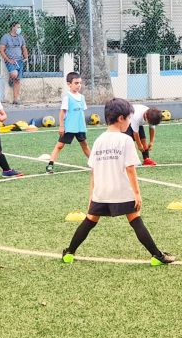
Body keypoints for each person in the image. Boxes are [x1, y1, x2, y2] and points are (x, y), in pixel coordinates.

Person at [61, 98, 175, 265]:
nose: (130, 121)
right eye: (129, 118)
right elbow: (130, 169)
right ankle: (157, 256)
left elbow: (93, 171)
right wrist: (137, 193)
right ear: (121, 118)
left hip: (101, 192)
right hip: (121, 191)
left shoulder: (99, 140)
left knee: (90, 220)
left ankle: (69, 252)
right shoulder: (126, 140)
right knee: (136, 220)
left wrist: (92, 195)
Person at [46, 72, 91, 174]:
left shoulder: (82, 97)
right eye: (76, 83)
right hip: (69, 127)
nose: (78, 85)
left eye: (80, 83)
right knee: (59, 146)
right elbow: (62, 112)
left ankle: (94, 162)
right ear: (69, 84)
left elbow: (81, 113)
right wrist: (62, 126)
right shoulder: (67, 97)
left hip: (80, 127)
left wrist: (83, 126)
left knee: (84, 145)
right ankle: (50, 164)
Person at [0, 21, 29, 105]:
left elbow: (24, 48)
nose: (19, 29)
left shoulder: (21, 37)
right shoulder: (5, 37)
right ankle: (11, 78)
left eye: (20, 27)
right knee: (14, 74)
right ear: (13, 27)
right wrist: (8, 60)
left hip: (20, 60)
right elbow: (1, 50)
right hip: (11, 60)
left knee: (18, 80)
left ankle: (15, 99)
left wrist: (26, 57)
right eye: (18, 27)